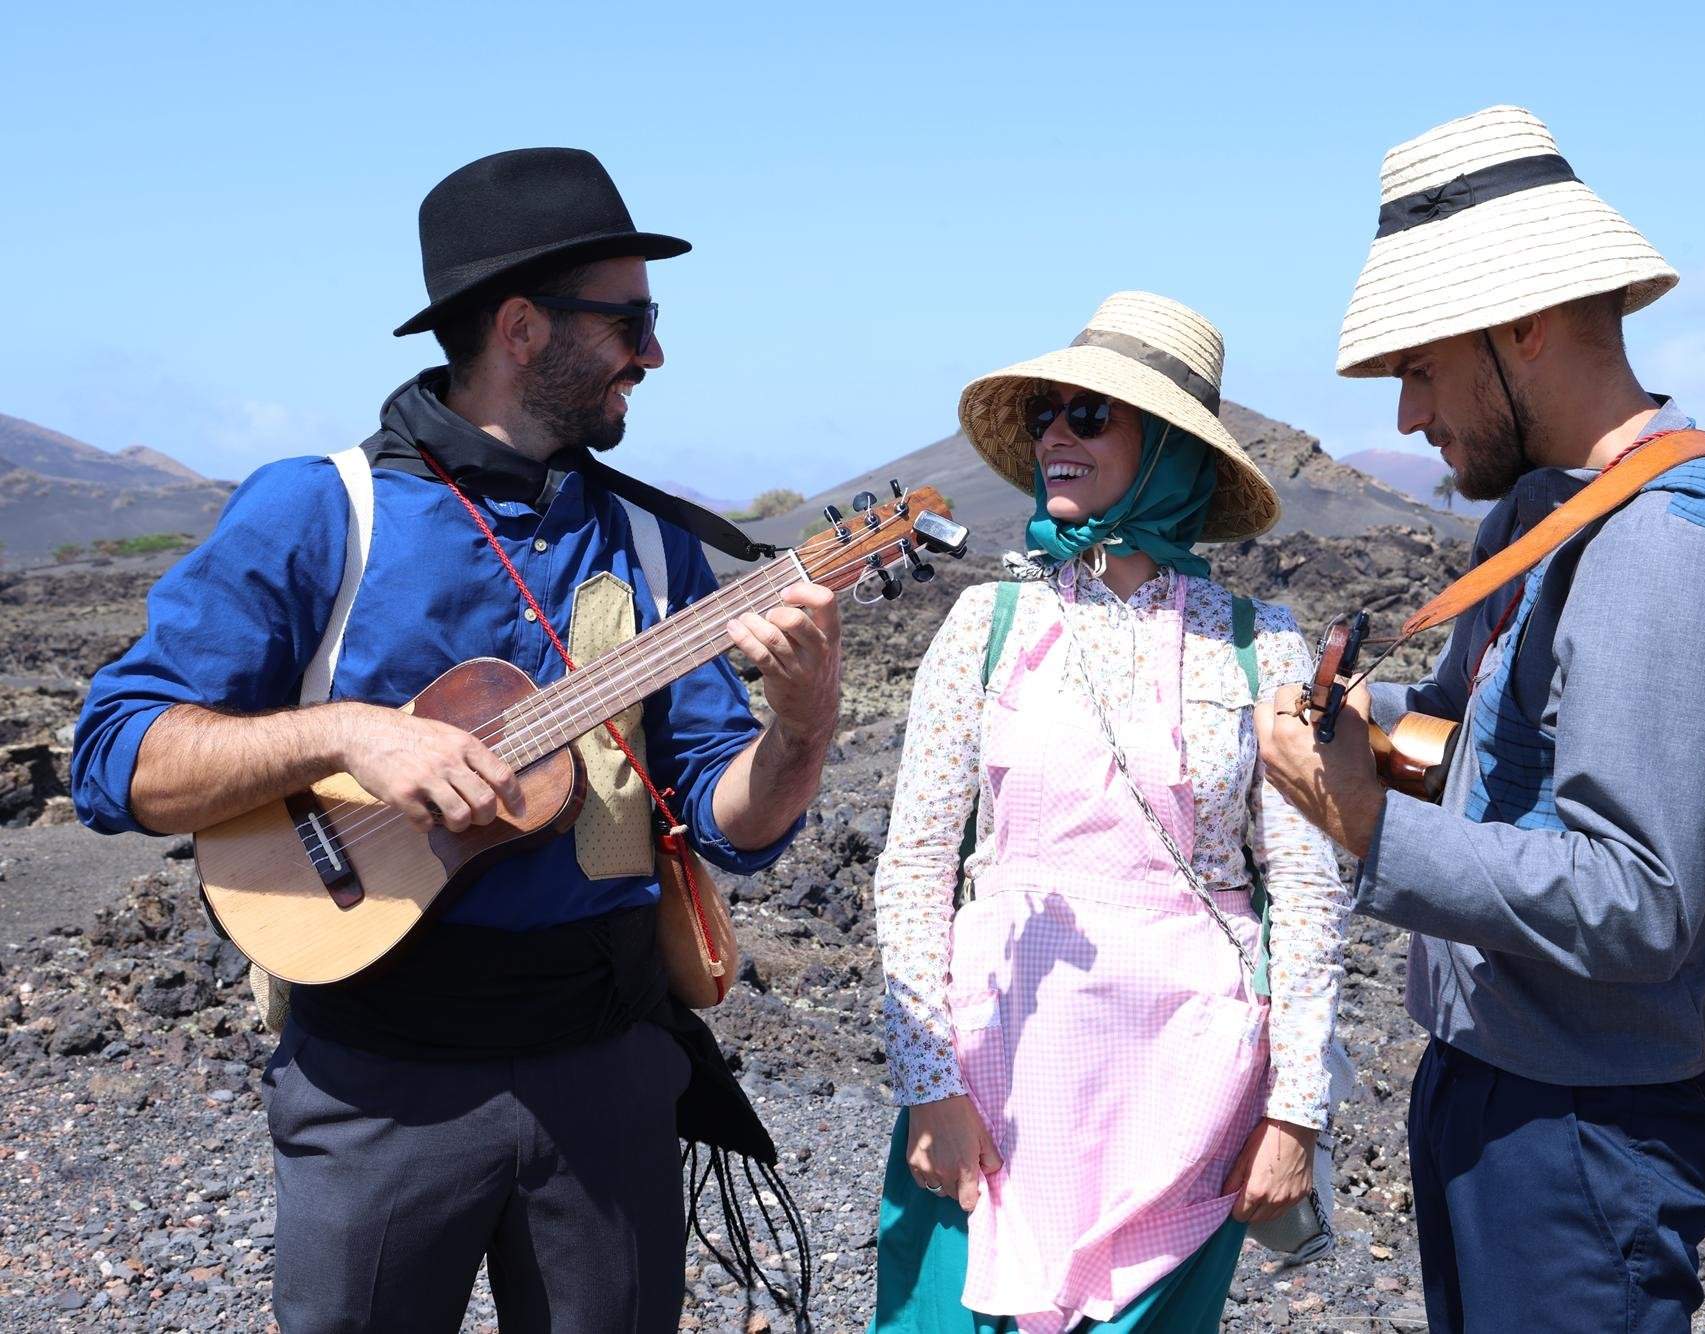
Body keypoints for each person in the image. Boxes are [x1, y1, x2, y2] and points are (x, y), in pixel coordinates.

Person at [70, 148, 841, 1332]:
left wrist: (801, 722)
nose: (655, 352)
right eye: (631, 318)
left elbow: (731, 829)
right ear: (524, 327)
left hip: (609, 1068)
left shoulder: (650, 543)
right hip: (378, 1086)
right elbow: (116, 754)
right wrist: (345, 734)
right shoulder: (323, 511)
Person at [1255, 106, 1705, 1332]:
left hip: (1589, 1133)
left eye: (1420, 365)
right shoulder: (1545, 519)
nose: (1409, 413)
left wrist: (1367, 827)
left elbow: (1636, 898)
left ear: (1520, 326)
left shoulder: (1675, 549)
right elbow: (1487, 735)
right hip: (1496, 1085)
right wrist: (1360, 723)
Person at [869, 291, 1354, 1333]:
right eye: (1047, 411)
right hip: (987, 1097)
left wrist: (1295, 1109)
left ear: (1171, 449)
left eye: (1089, 415)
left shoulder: (1259, 644)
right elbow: (912, 865)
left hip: (1187, 1103)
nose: (1054, 433)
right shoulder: (986, 625)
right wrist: (928, 1086)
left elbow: (1309, 892)